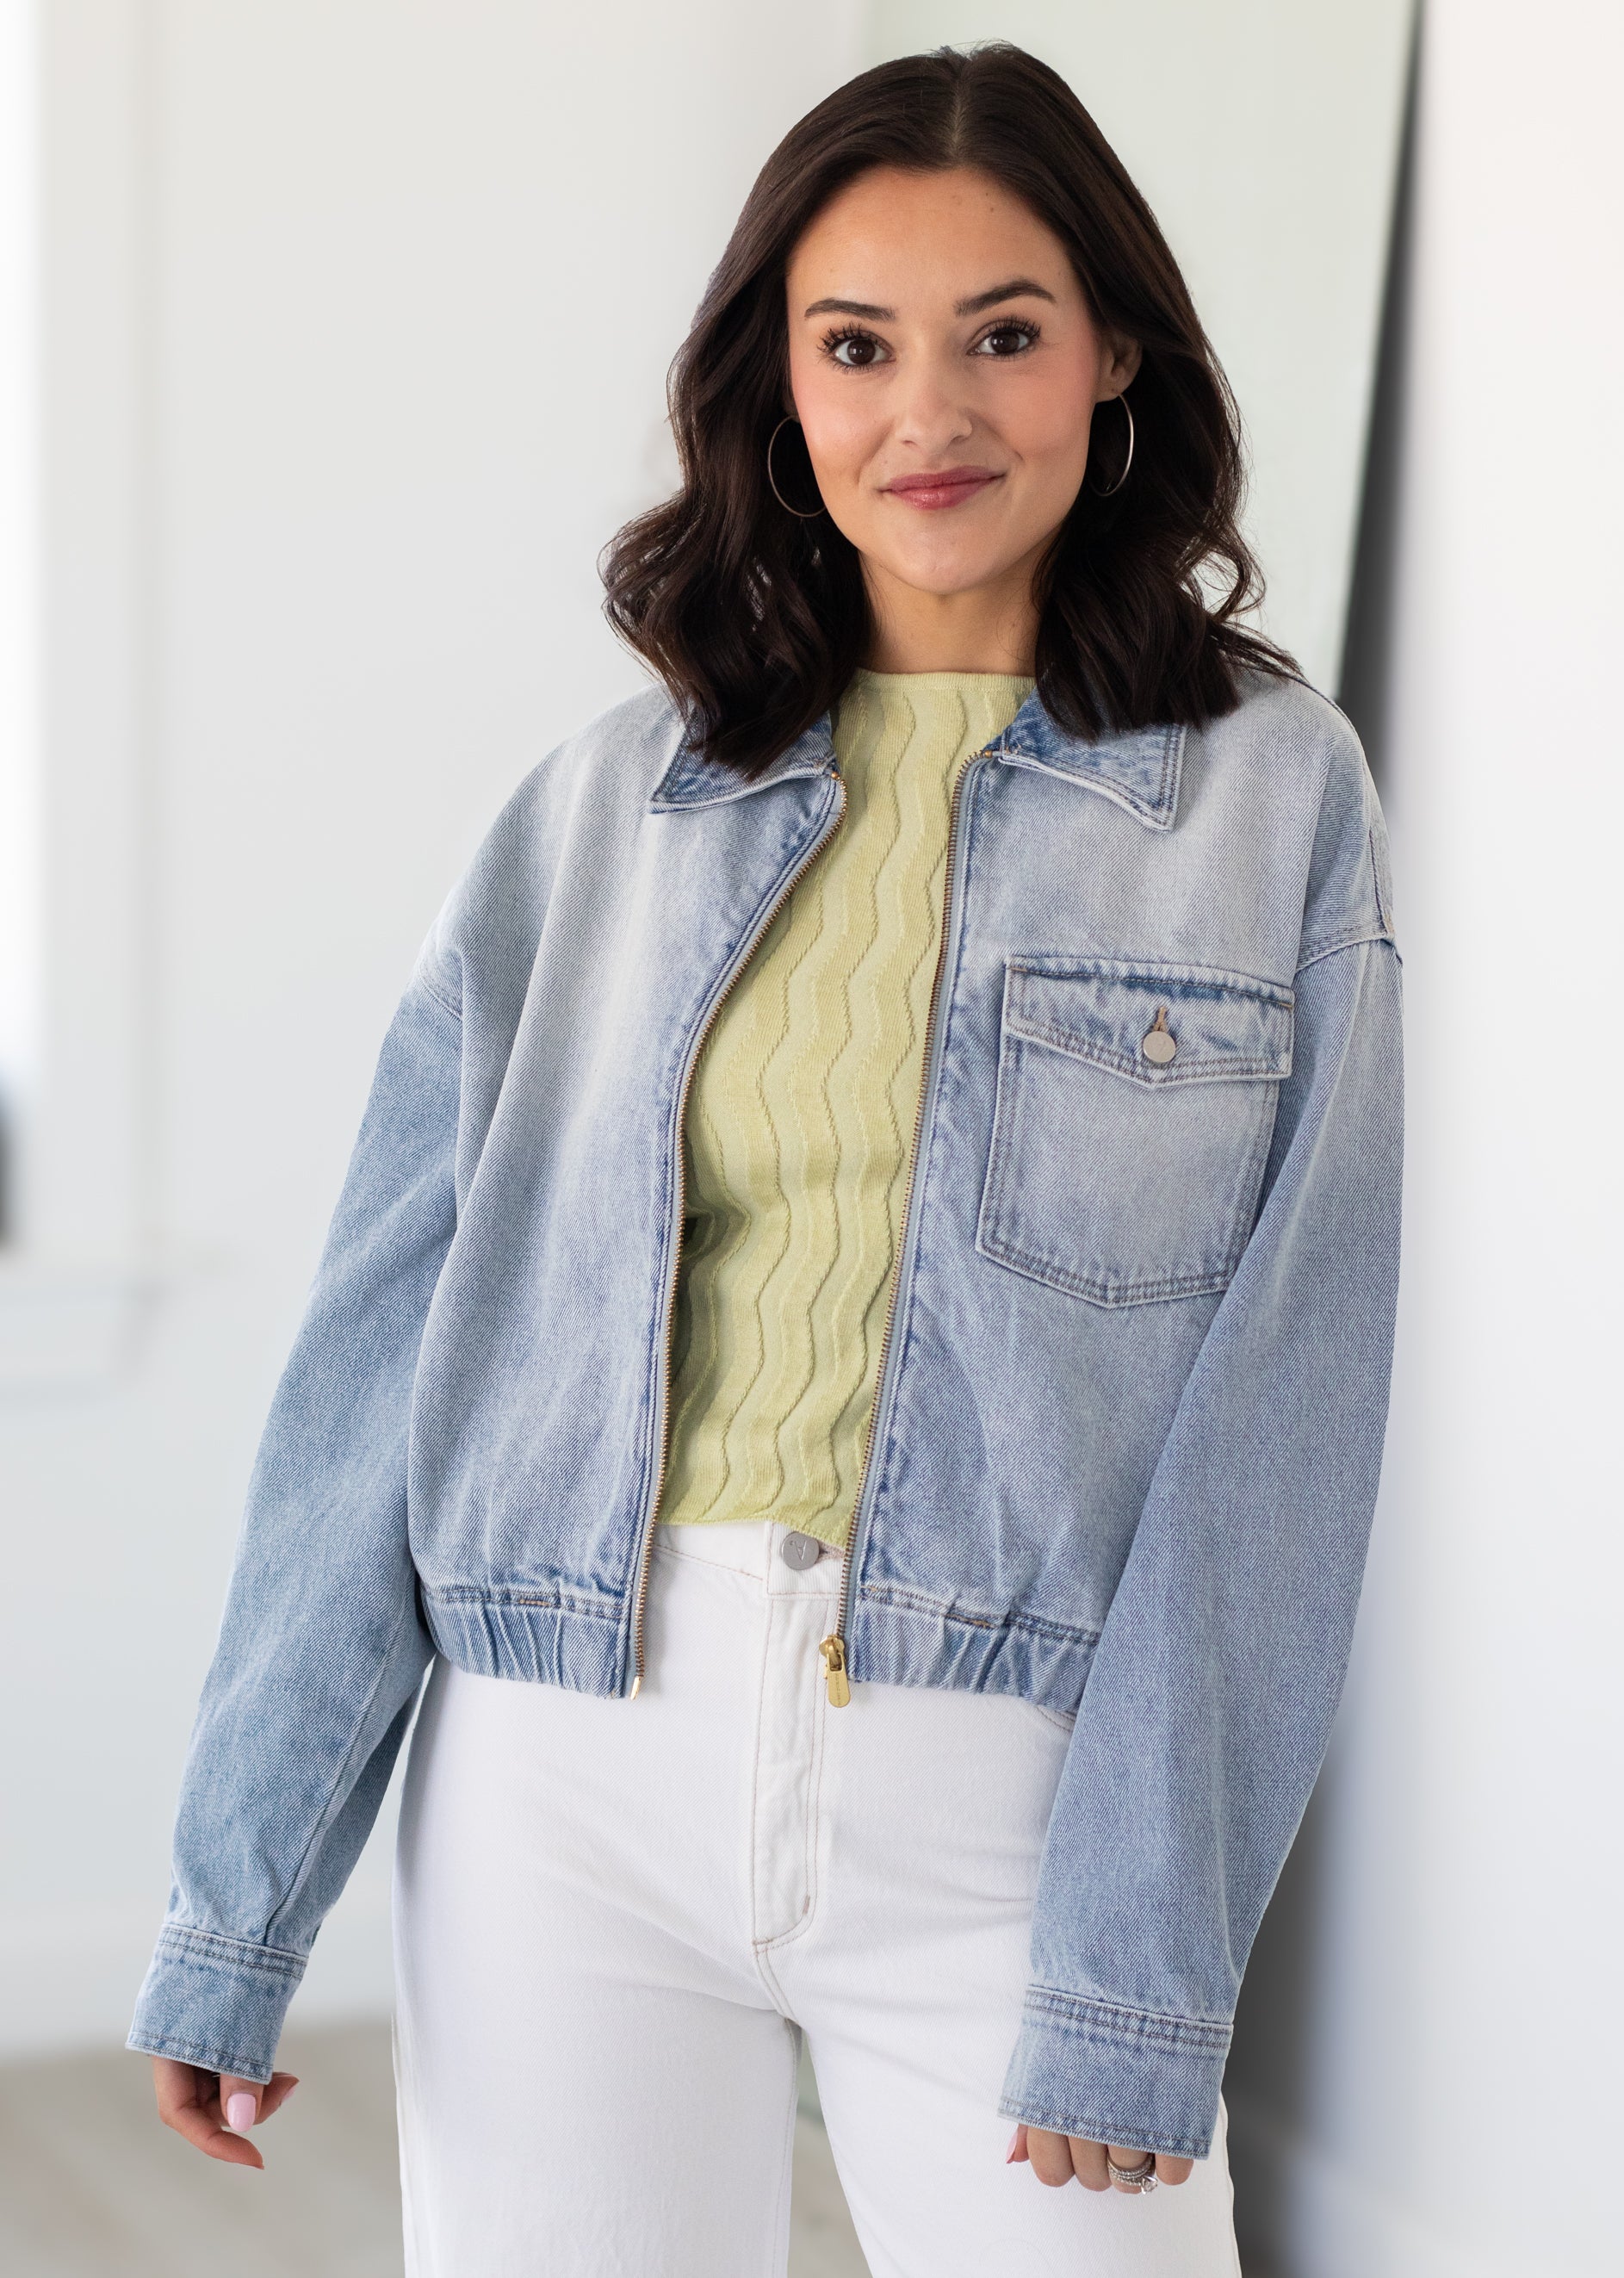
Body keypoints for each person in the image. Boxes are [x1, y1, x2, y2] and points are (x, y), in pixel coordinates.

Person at [129, 43, 1401, 2277]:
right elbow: (380, 1357)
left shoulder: (1267, 800)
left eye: (1002, 333)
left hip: (1009, 1806)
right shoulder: (601, 812)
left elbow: (1282, 1411)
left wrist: (1141, 1960)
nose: (931, 414)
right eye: (857, 346)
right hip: (562, 1772)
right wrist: (237, 1898)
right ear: (779, 385)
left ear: (1113, 355)